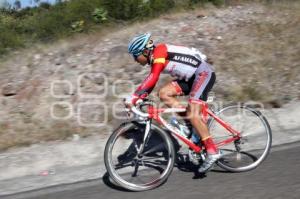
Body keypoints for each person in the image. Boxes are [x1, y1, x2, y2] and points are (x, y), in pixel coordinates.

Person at [125, 33, 222, 173]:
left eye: (135, 55)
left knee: (193, 113)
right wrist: (138, 97)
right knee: (164, 93)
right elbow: (151, 81)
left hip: (203, 74)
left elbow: (153, 77)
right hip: (191, 78)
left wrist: (134, 96)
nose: (135, 60)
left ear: (145, 51)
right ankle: (190, 125)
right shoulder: (154, 58)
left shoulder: (159, 51)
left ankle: (212, 151)